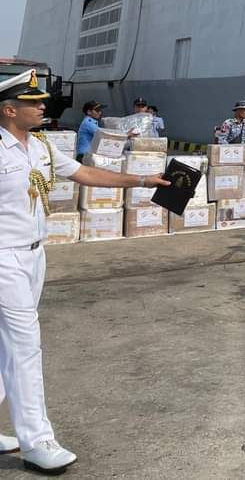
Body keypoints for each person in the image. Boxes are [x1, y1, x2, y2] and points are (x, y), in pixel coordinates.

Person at [0, 69, 169, 473]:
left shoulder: (39, 146)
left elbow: (85, 173)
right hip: (3, 258)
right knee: (24, 347)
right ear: (9, 110)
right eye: (32, 103)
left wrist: (142, 179)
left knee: (4, 348)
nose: (42, 107)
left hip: (34, 254)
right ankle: (37, 440)